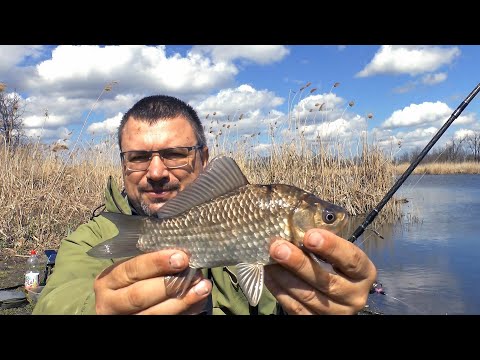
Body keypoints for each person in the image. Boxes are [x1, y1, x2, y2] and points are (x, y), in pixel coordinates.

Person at [32, 95, 377, 315]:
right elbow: (55, 301)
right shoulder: (90, 237)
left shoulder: (290, 253)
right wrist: (96, 309)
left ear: (204, 158)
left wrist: (324, 299)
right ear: (122, 163)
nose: (156, 172)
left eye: (175, 154)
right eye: (138, 157)